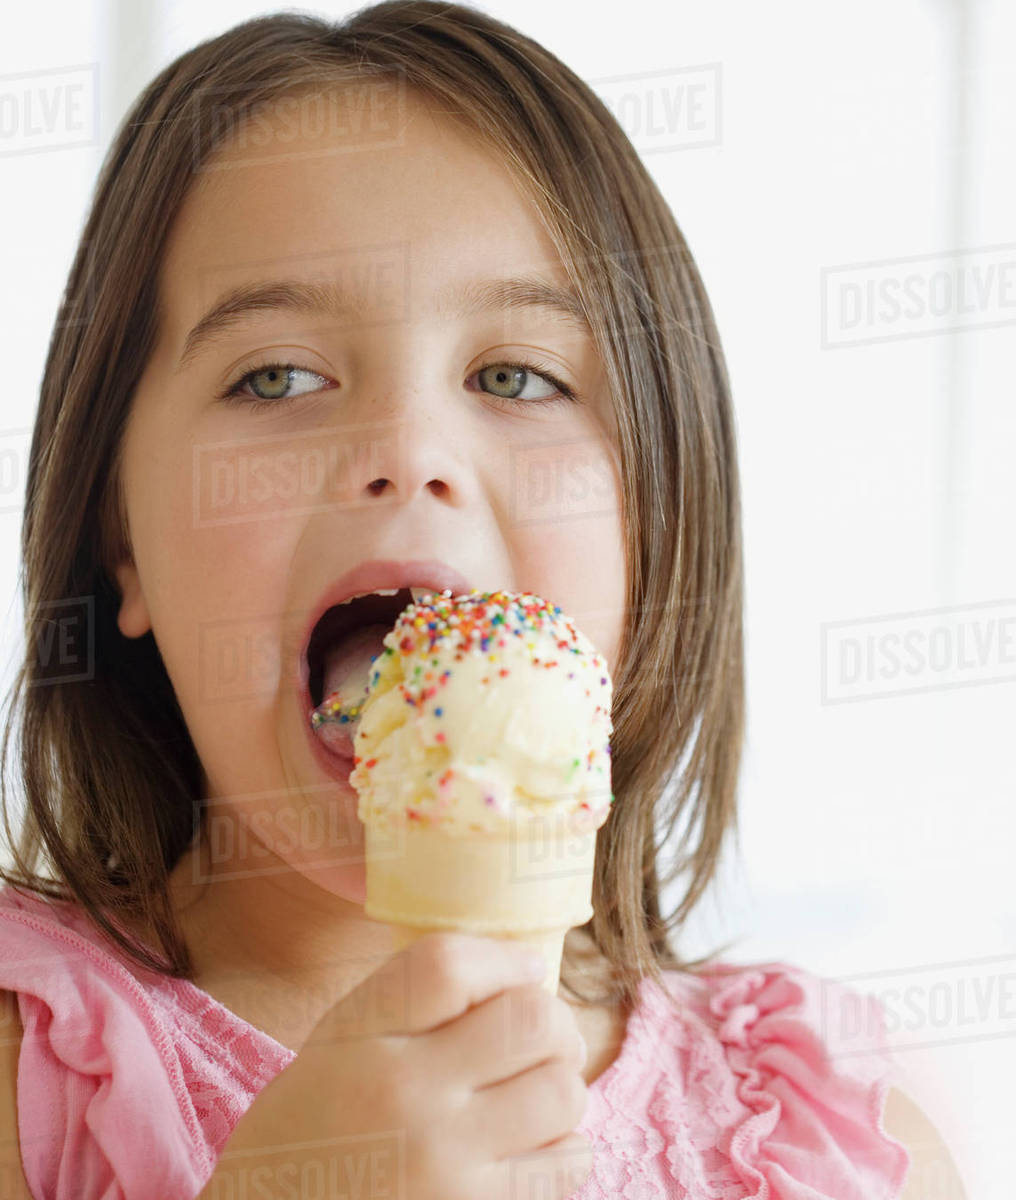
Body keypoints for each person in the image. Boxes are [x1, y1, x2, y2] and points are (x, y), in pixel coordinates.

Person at [0, 3, 965, 1196]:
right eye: (278, 375)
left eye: (515, 376)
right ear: (120, 543)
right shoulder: (29, 1076)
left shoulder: (838, 1131)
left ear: (657, 530)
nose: (409, 449)